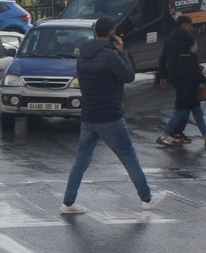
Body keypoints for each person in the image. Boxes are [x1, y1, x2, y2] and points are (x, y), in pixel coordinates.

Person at [60, 16, 167, 216]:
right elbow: (129, 76)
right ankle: (147, 198)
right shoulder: (110, 56)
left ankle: (67, 202)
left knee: (81, 160)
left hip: (88, 115)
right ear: (111, 33)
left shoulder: (83, 55)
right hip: (109, 115)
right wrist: (122, 52)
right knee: (128, 156)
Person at [157, 34, 206, 148]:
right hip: (188, 94)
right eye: (195, 45)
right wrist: (203, 77)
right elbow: (195, 75)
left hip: (186, 93)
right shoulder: (191, 58)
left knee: (198, 114)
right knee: (181, 114)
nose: (197, 47)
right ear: (190, 46)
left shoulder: (180, 58)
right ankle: (163, 136)